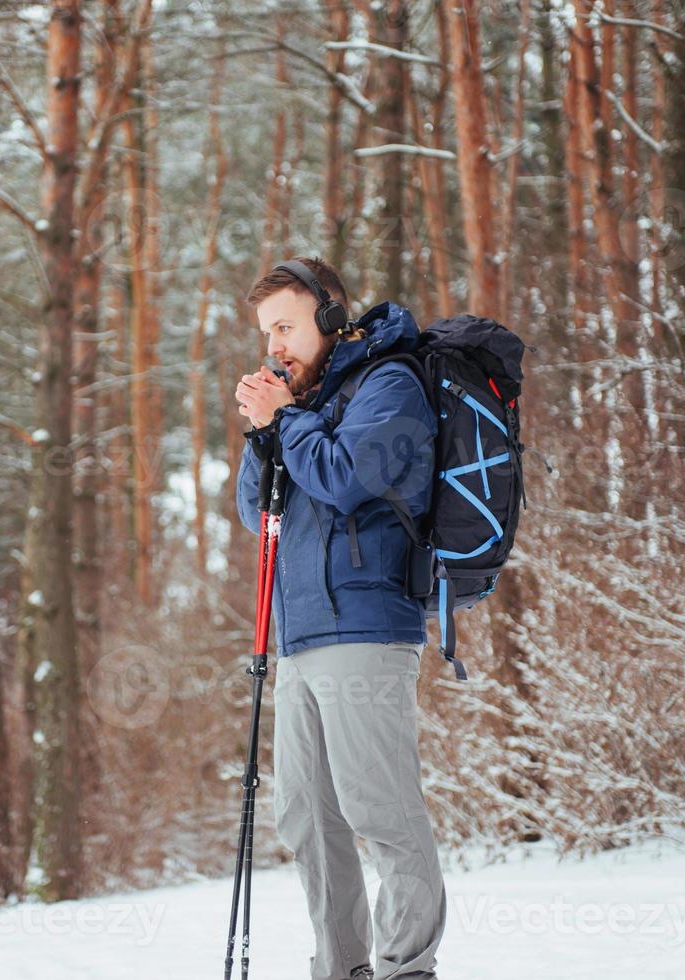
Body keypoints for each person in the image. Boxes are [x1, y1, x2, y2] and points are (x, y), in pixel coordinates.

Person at [233, 257, 446, 980]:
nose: (275, 346)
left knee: (378, 809)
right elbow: (255, 511)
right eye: (267, 333)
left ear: (329, 315)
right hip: (297, 635)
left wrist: (285, 420)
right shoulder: (302, 401)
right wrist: (262, 433)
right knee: (309, 820)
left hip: (364, 627)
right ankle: (341, 968)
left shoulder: (391, 384)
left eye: (286, 326)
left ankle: (406, 969)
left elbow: (348, 479)